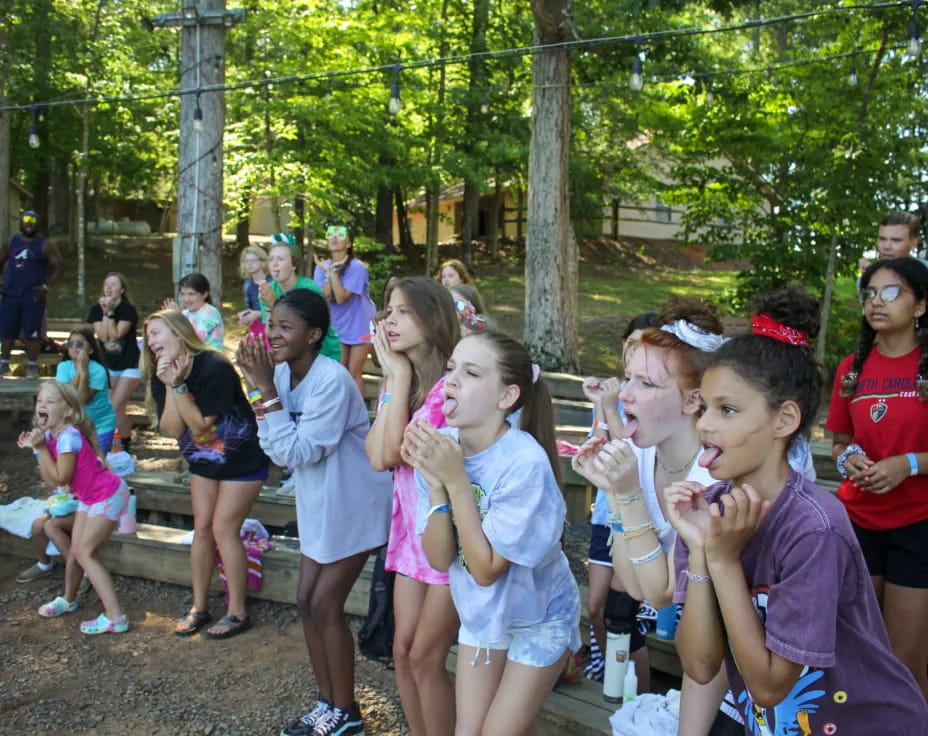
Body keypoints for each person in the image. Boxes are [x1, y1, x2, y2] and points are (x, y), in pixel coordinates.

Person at [668, 285, 928, 733]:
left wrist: (725, 560)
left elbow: (770, 687)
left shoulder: (814, 528)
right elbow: (700, 664)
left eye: (728, 410)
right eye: (704, 409)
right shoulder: (706, 515)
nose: (706, 424)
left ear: (784, 421)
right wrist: (699, 553)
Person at [572, 297, 741, 736]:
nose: (625, 394)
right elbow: (633, 584)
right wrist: (616, 488)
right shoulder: (644, 454)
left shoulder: (714, 478)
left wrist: (624, 494)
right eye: (628, 377)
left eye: (646, 384)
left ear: (692, 402)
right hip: (707, 655)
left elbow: (662, 592)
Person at [405, 331, 581, 736]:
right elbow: (437, 559)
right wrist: (436, 487)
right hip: (483, 614)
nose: (451, 380)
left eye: (471, 373)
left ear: (506, 397)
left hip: (540, 618)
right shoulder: (442, 449)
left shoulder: (524, 464)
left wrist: (456, 483)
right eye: (451, 369)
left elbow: (485, 570)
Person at [237, 289, 392, 736]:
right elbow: (275, 444)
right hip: (319, 503)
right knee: (305, 601)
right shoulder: (283, 375)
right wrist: (264, 390)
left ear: (314, 335)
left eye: (286, 327)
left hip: (356, 505)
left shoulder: (333, 381)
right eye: (272, 324)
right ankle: (326, 703)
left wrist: (264, 392)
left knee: (325, 603)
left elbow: (300, 450)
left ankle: (347, 713)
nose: (274, 334)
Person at [826, 257, 928, 699]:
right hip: (859, 522)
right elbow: (839, 441)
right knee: (861, 647)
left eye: (892, 293)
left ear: (921, 305)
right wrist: (848, 457)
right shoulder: (851, 367)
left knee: (905, 658)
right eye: (870, 294)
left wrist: (908, 464)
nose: (876, 303)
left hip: (918, 525)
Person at [365, 277, 460, 736]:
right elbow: (374, 454)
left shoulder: (451, 389)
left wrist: (396, 378)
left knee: (425, 656)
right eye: (388, 311)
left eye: (402, 311)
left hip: (447, 537)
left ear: (433, 317)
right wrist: (395, 380)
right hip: (408, 537)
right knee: (401, 651)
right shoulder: (404, 379)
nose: (389, 321)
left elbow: (390, 453)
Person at [142, 309, 269, 639]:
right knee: (201, 528)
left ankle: (238, 612)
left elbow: (199, 425)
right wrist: (171, 384)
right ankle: (199, 607)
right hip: (204, 460)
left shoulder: (214, 365)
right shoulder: (163, 373)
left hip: (241, 459)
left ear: (178, 331)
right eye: (149, 336)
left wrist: (180, 386)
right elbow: (172, 428)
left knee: (223, 528)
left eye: (156, 332)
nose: (150, 341)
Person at [581, 312, 660, 685]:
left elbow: (630, 454)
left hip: (639, 511)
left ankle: (635, 691)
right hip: (605, 512)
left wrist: (611, 408)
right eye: (630, 343)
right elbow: (603, 442)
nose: (634, 350)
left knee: (622, 610)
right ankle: (610, 675)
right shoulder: (618, 390)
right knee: (596, 607)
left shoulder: (645, 398)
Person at [19, 381, 130, 634]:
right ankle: (68, 600)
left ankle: (116, 617)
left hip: (109, 495)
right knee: (76, 552)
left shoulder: (68, 436)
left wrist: (39, 449)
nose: (42, 405)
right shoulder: (50, 436)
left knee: (85, 553)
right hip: (91, 498)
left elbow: (62, 479)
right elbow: (50, 479)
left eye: (50, 401)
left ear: (68, 411)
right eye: (39, 401)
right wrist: (39, 450)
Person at [313, 225, 377, 397]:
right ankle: (340, 411)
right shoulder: (321, 267)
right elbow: (325, 297)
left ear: (348, 243)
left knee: (354, 372)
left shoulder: (357, 267)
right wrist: (327, 273)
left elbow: (341, 297)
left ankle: (359, 417)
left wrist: (333, 273)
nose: (334, 238)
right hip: (337, 325)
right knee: (339, 371)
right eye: (330, 235)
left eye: (340, 235)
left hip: (360, 323)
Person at [260, 235, 341, 361]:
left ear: (294, 265)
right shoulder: (268, 290)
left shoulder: (309, 289)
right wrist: (268, 307)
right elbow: (271, 333)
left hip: (323, 354)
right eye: (271, 259)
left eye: (281, 259)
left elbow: (304, 332)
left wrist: (274, 304)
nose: (275, 264)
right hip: (293, 356)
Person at [0, 210, 61, 378]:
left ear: (37, 223)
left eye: (33, 220)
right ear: (20, 222)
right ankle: (4, 363)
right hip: (11, 295)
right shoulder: (12, 242)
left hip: (33, 296)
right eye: (26, 219)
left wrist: (45, 287)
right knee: (6, 331)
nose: (29, 223)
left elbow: (57, 267)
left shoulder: (44, 245)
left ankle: (33, 365)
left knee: (33, 333)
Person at [87, 272, 141, 453]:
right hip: (109, 364)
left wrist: (110, 312)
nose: (109, 288)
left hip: (130, 364)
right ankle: (122, 442)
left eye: (114, 285)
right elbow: (102, 336)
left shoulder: (128, 310)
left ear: (122, 289)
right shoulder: (96, 309)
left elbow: (115, 335)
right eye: (106, 284)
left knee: (116, 405)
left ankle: (122, 445)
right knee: (115, 407)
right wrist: (104, 312)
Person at [56, 327, 117, 454]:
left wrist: (84, 374)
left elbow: (82, 401)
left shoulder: (98, 370)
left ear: (90, 349)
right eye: (70, 344)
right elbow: (67, 396)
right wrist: (79, 372)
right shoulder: (63, 367)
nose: (74, 347)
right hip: (73, 426)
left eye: (79, 344)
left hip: (100, 426)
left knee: (97, 463)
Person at [165, 272, 224, 351]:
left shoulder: (210, 313)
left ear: (205, 294)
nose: (186, 299)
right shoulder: (185, 313)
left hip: (209, 360)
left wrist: (178, 319)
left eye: (191, 294)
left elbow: (194, 341)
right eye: (183, 294)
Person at [859, 210, 924, 274]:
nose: (887, 246)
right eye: (882, 239)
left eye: (896, 240)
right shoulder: (869, 276)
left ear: (914, 243)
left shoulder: (925, 273)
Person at [238, 245, 271, 341]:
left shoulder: (271, 283)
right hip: (254, 329)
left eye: (253, 260)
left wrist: (258, 314)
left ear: (263, 262)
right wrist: (244, 315)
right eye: (246, 261)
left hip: (270, 327)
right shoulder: (247, 285)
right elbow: (249, 308)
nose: (249, 264)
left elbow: (278, 309)